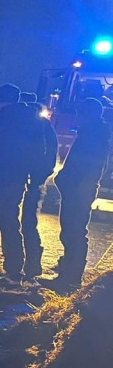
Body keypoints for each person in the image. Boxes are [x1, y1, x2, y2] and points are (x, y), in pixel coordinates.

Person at [0, 84, 46, 282]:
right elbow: (39, 152)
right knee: (10, 222)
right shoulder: (32, 122)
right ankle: (14, 268)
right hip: (16, 181)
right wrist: (34, 178)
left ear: (0, 101)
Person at [47, 98, 111, 292]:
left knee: (73, 232)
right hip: (78, 188)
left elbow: (83, 166)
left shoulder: (92, 136)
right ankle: (68, 274)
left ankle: (70, 278)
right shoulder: (95, 134)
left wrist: (65, 180)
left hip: (78, 190)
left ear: (88, 114)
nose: (77, 118)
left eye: (80, 114)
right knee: (73, 231)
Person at [22, 102, 59, 279]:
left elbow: (46, 158)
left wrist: (37, 178)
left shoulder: (41, 130)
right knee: (26, 222)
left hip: (31, 182)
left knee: (27, 222)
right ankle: (30, 261)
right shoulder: (46, 129)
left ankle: (32, 261)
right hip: (30, 181)